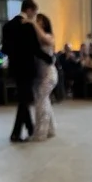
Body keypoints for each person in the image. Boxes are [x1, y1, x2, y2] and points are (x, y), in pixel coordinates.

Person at [2, 0, 52, 142]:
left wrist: (14, 55)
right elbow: (35, 49)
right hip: (27, 68)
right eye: (34, 13)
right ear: (29, 10)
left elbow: (4, 49)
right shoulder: (28, 26)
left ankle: (30, 128)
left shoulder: (7, 26)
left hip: (14, 68)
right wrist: (49, 59)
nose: (34, 16)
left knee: (24, 98)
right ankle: (15, 133)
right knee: (24, 101)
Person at [31, 13, 58, 141]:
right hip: (39, 74)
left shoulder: (49, 36)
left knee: (42, 100)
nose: (37, 22)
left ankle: (42, 132)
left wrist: (32, 23)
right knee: (42, 100)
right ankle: (51, 129)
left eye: (40, 21)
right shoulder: (36, 38)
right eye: (37, 21)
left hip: (49, 74)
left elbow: (45, 39)